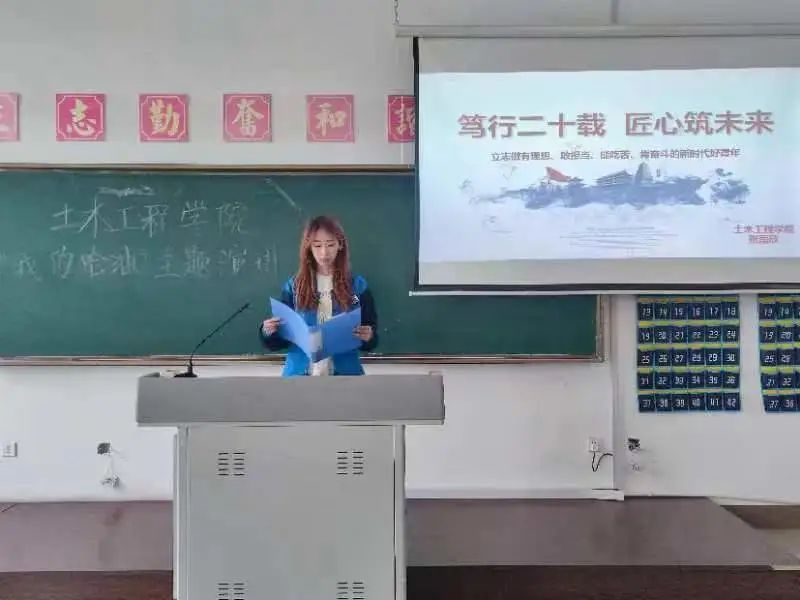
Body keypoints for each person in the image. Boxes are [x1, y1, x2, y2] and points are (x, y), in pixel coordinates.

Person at [259, 215, 378, 376]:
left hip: (345, 376)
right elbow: (279, 342)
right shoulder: (293, 287)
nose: (324, 252)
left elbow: (372, 338)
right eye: (317, 245)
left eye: (330, 244)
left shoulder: (357, 286)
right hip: (300, 376)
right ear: (309, 247)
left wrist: (369, 336)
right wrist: (268, 331)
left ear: (340, 245)